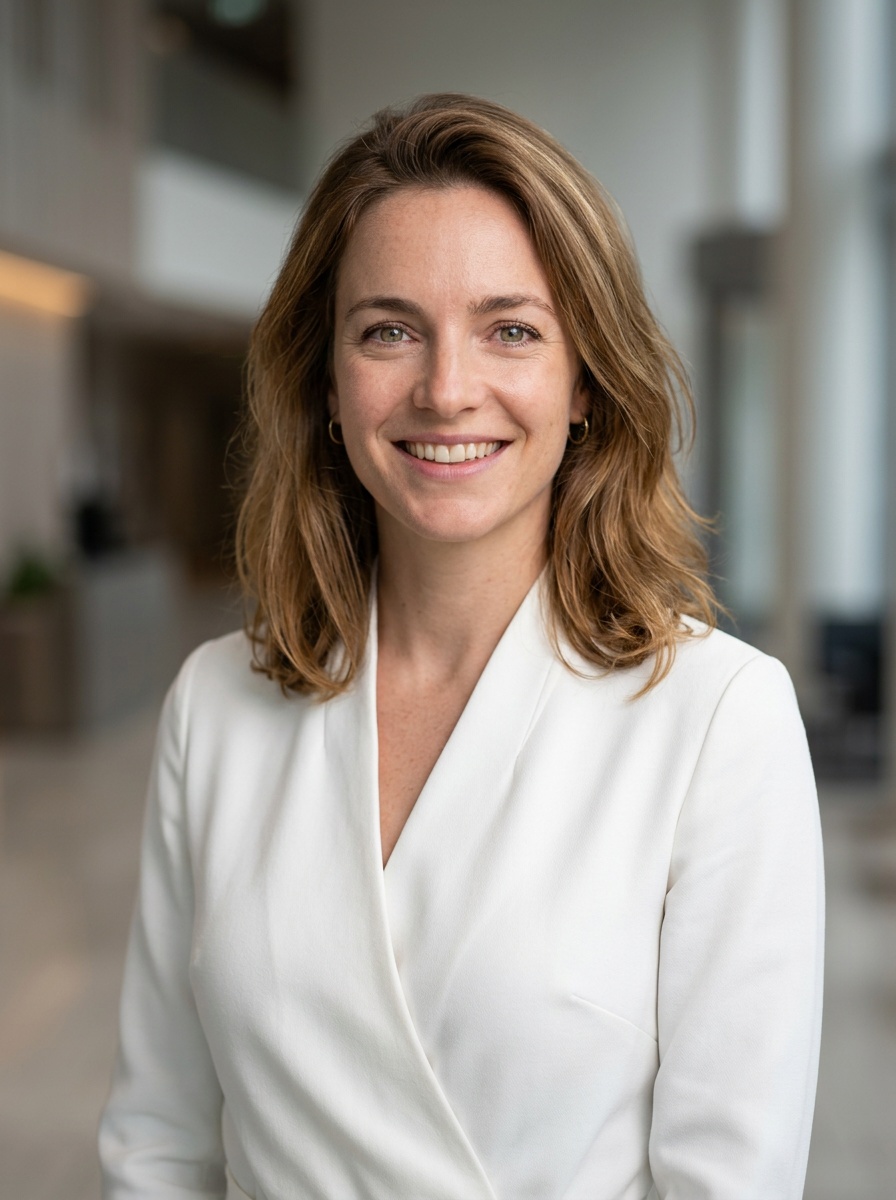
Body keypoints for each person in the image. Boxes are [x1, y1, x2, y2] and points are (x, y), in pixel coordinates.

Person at [99, 94, 824, 1200]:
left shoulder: (718, 719)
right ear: (326, 385)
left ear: (583, 382)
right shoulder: (215, 706)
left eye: (510, 330)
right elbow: (160, 1139)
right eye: (387, 329)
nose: (445, 388)